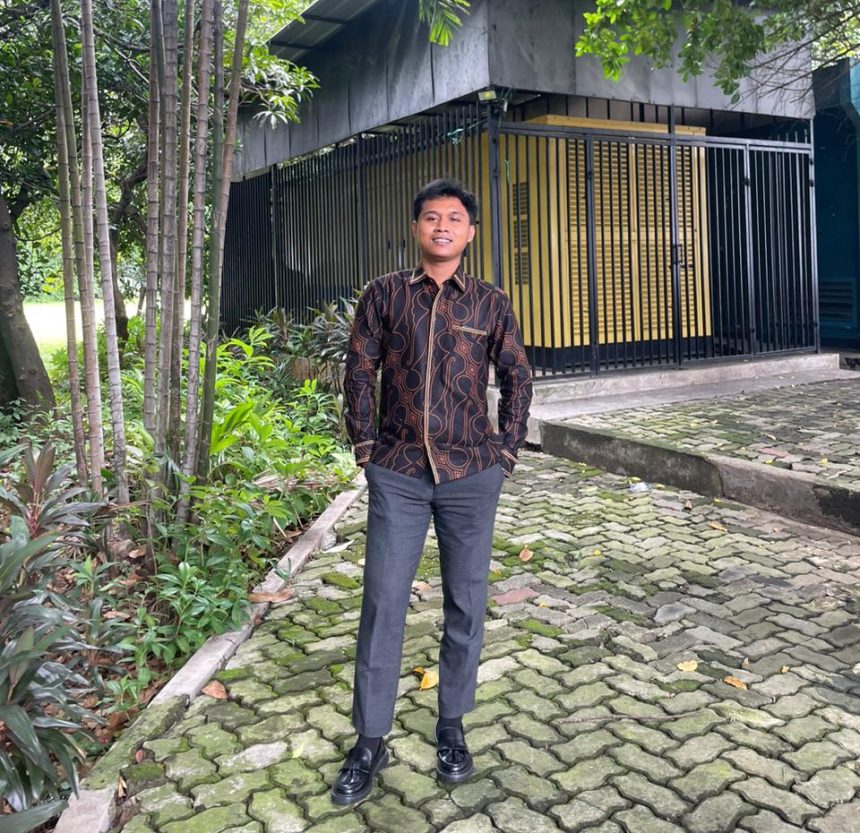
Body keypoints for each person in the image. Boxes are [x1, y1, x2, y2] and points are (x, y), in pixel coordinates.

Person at [331, 178, 532, 805]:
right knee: (383, 602)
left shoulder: (491, 302)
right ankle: (369, 741)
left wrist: (506, 450)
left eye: (453, 218)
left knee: (466, 603)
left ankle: (451, 727)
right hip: (399, 471)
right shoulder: (385, 294)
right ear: (417, 228)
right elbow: (359, 370)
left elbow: (518, 375)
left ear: (470, 232)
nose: (442, 226)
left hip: (471, 472)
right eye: (430, 217)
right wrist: (365, 447)